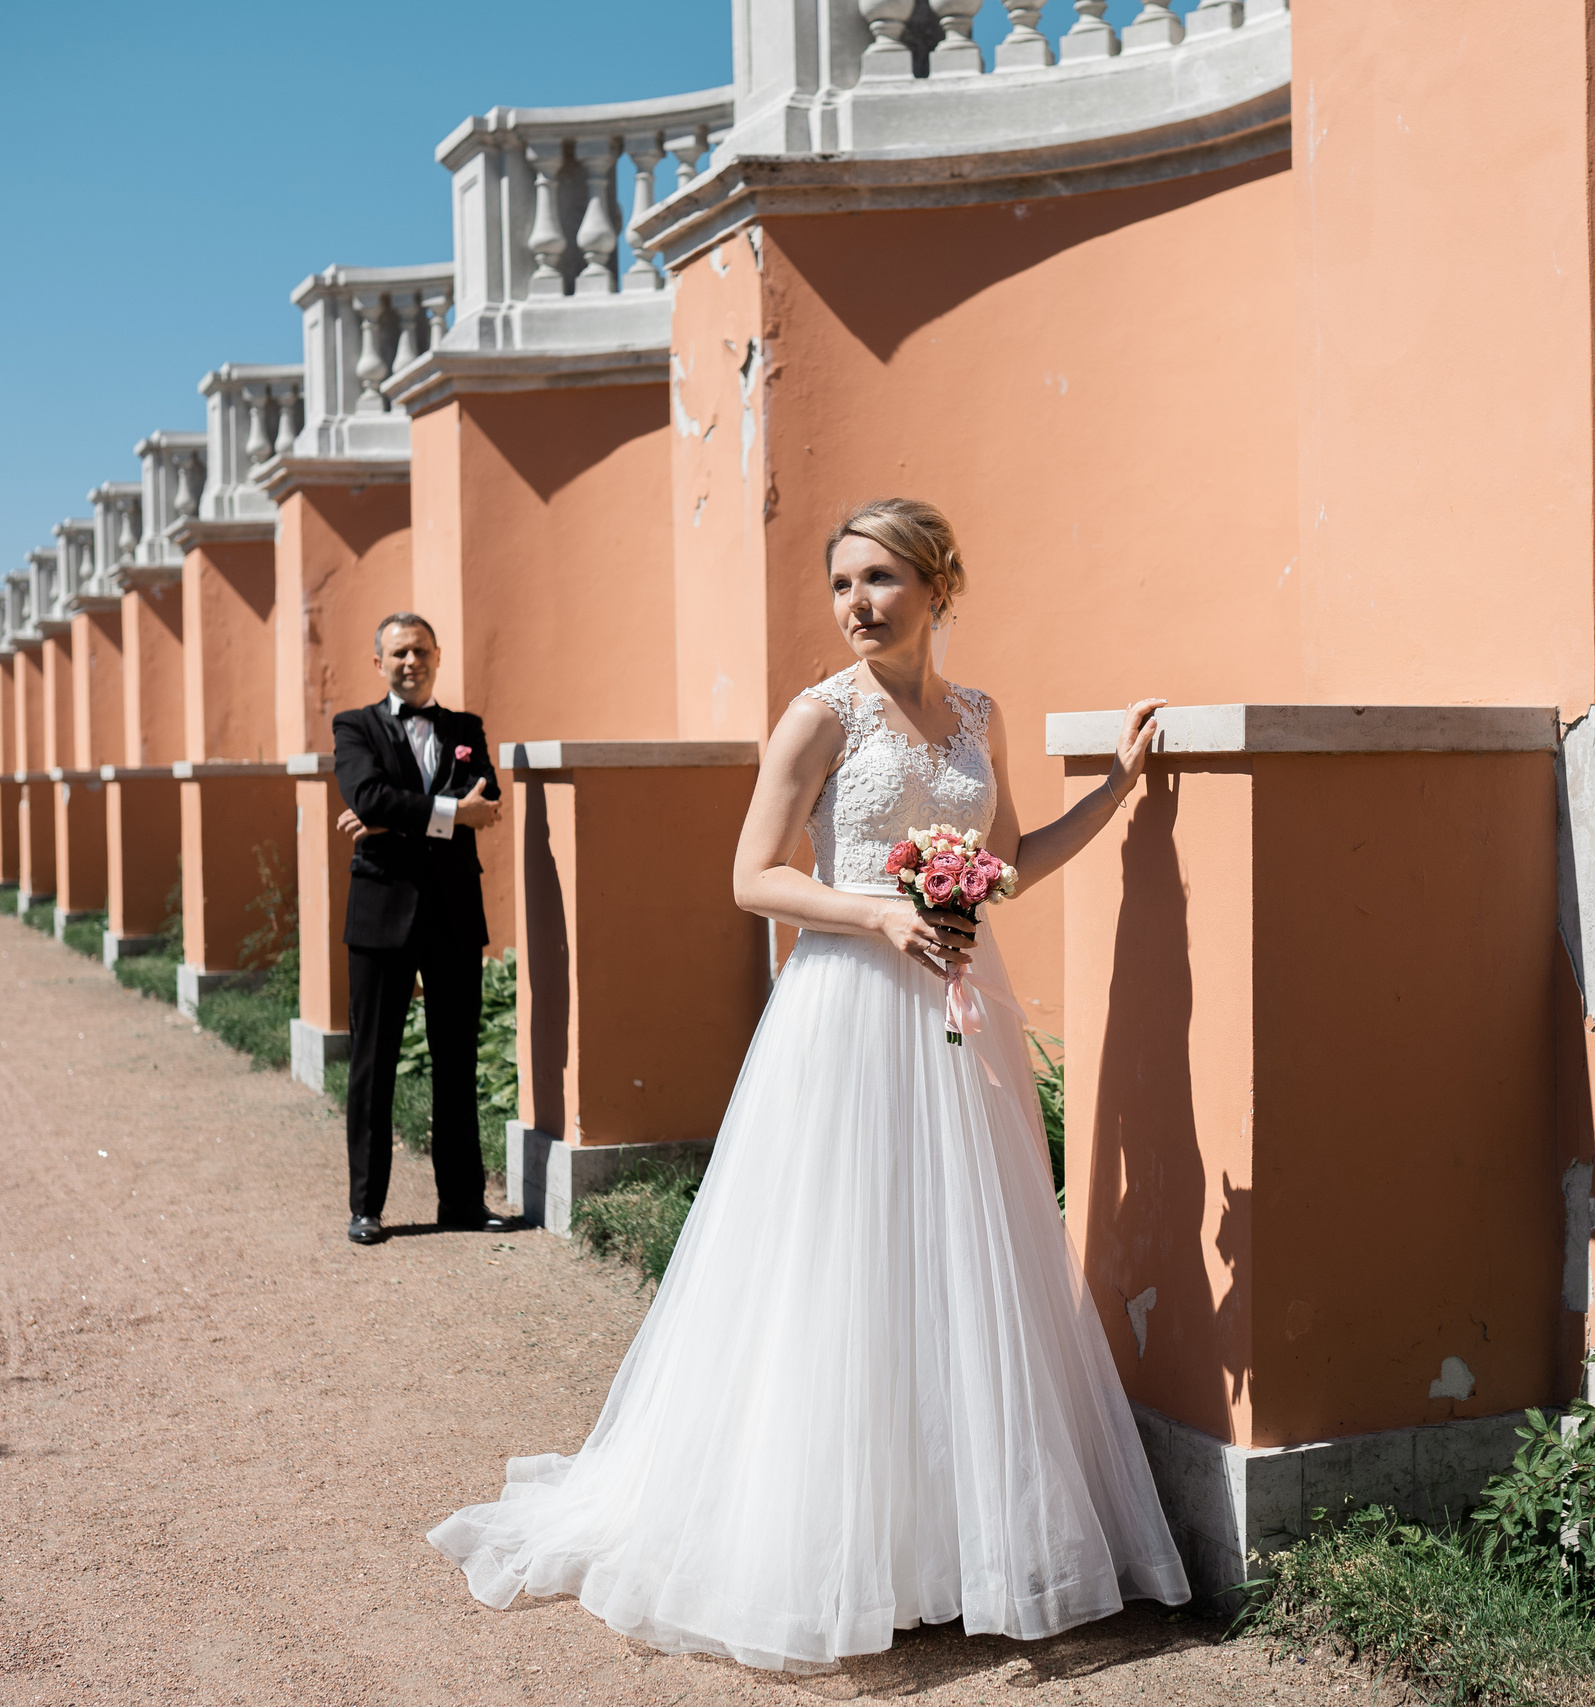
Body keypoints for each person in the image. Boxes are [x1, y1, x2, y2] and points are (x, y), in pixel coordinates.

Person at [430, 499, 1185, 1671]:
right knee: (839, 1265)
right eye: (841, 585)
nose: (856, 606)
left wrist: (1121, 791)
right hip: (845, 1013)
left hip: (956, 1019)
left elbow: (1012, 867)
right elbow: (751, 877)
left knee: (955, 1264)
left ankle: (945, 1541)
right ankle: (824, 1547)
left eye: (879, 580)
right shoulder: (818, 716)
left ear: (939, 585)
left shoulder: (979, 714)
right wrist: (878, 914)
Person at [329, 612, 508, 1245]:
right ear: (378, 662)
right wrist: (446, 813)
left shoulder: (467, 729)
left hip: (455, 915)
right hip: (380, 918)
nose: (411, 662)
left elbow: (487, 808)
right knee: (373, 1065)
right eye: (399, 653)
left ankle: (461, 1201)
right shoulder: (353, 726)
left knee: (456, 1063)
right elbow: (368, 796)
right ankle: (366, 1207)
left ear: (438, 656)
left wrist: (406, 816)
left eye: (421, 652)